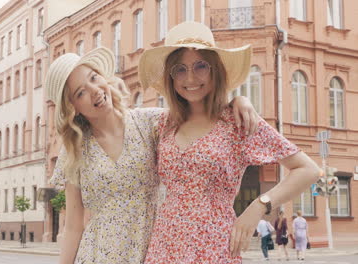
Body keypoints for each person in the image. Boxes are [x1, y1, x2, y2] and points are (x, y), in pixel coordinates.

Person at [45, 47, 258, 264]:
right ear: (73, 107)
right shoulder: (74, 150)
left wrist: (236, 102)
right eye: (80, 92)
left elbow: (200, 115)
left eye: (94, 78)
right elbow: (73, 225)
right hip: (96, 255)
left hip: (153, 252)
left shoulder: (150, 122)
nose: (95, 91)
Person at [138, 21, 322, 263]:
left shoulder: (238, 121)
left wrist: (260, 205)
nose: (190, 77)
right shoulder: (163, 124)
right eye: (180, 69)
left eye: (200, 66)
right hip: (164, 245)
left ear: (216, 70)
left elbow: (309, 170)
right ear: (171, 77)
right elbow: (116, 119)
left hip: (214, 245)